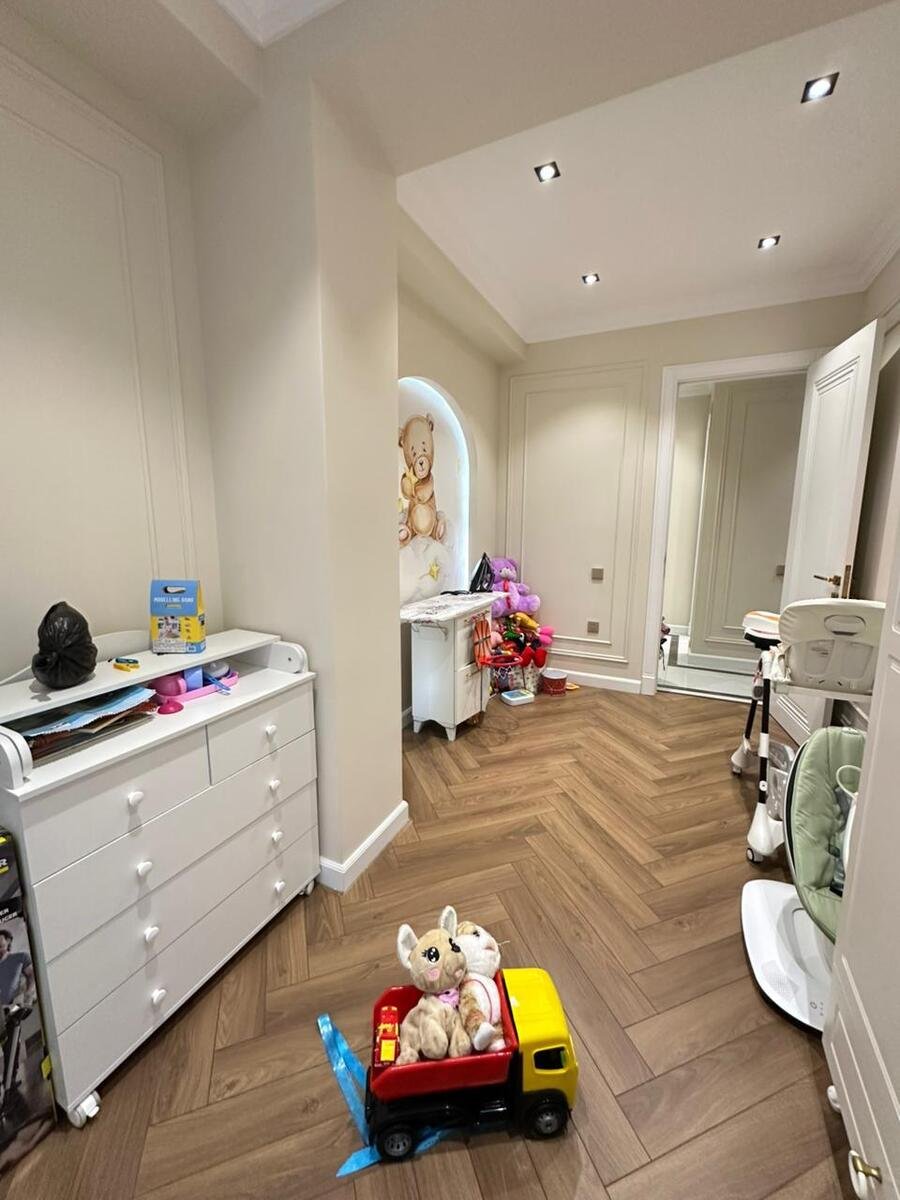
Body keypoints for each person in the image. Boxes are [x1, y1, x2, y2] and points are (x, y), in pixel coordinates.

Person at [0, 930, 34, 1010]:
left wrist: (29, 992)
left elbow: (32, 976)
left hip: (18, 1005)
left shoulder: (21, 957)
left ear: (8, 941)